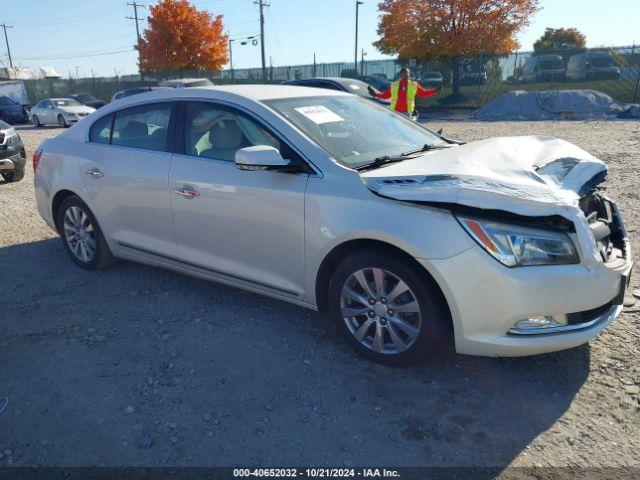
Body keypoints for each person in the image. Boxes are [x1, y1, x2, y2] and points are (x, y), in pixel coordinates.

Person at [368, 67, 437, 117]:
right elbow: (386, 95)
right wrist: (375, 94)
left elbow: (423, 94)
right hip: (395, 113)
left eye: (407, 73)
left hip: (408, 113)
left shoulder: (414, 84)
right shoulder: (394, 85)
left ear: (409, 74)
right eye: (404, 73)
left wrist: (435, 90)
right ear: (401, 74)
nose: (406, 74)